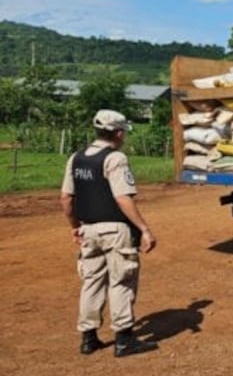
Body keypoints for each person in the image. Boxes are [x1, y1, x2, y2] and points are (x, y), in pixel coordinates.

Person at [60, 109, 159, 358]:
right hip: (115, 230)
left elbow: (66, 199)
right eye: (123, 132)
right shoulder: (115, 158)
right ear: (117, 132)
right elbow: (122, 197)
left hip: (88, 229)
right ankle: (124, 340)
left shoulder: (76, 158)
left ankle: (88, 338)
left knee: (91, 282)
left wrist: (75, 227)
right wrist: (144, 229)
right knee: (122, 280)